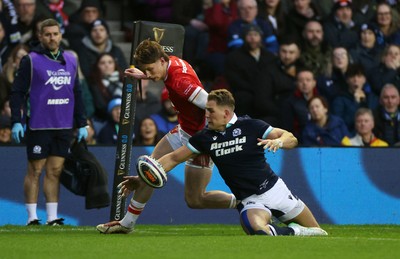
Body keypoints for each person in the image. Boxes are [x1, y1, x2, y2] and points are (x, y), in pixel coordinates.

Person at [118, 89, 328, 236]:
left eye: (210, 111)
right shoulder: (204, 138)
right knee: (256, 230)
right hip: (249, 200)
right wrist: (146, 176)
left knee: (319, 233)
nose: (206, 115)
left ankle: (291, 230)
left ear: (226, 113)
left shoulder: (251, 126)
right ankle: (293, 232)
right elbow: (173, 158)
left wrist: (279, 141)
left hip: (276, 190)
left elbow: (291, 138)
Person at [96, 39, 237, 234]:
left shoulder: (181, 82)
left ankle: (243, 201)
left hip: (199, 139)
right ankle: (127, 223)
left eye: (150, 69)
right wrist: (144, 75)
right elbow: (161, 72)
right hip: (182, 131)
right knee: (149, 170)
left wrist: (237, 128)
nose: (148, 74)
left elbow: (212, 103)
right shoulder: (170, 62)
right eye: (145, 70)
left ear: (162, 60)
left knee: (195, 200)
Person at [9, 19, 88, 226]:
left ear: (60, 35)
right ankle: (32, 217)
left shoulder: (71, 60)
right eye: (48, 34)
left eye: (55, 33)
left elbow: (77, 93)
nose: (52, 38)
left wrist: (82, 122)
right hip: (39, 124)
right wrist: (16, 120)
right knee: (35, 170)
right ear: (40, 37)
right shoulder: (31, 60)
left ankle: (52, 217)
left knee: (55, 171)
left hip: (63, 124)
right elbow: (17, 92)